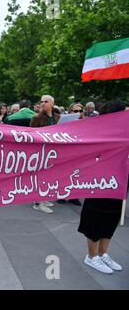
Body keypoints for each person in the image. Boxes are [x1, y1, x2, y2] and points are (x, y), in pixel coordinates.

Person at [78, 100, 126, 274]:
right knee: (96, 218)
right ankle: (91, 256)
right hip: (100, 182)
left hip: (119, 182)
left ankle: (104, 253)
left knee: (111, 218)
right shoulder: (99, 131)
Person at [29, 95, 60, 214]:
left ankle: (43, 197)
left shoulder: (58, 117)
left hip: (54, 150)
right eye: (42, 102)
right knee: (40, 176)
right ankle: (38, 202)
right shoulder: (36, 118)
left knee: (49, 176)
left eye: (46, 101)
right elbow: (31, 136)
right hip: (41, 151)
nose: (43, 103)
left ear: (52, 103)